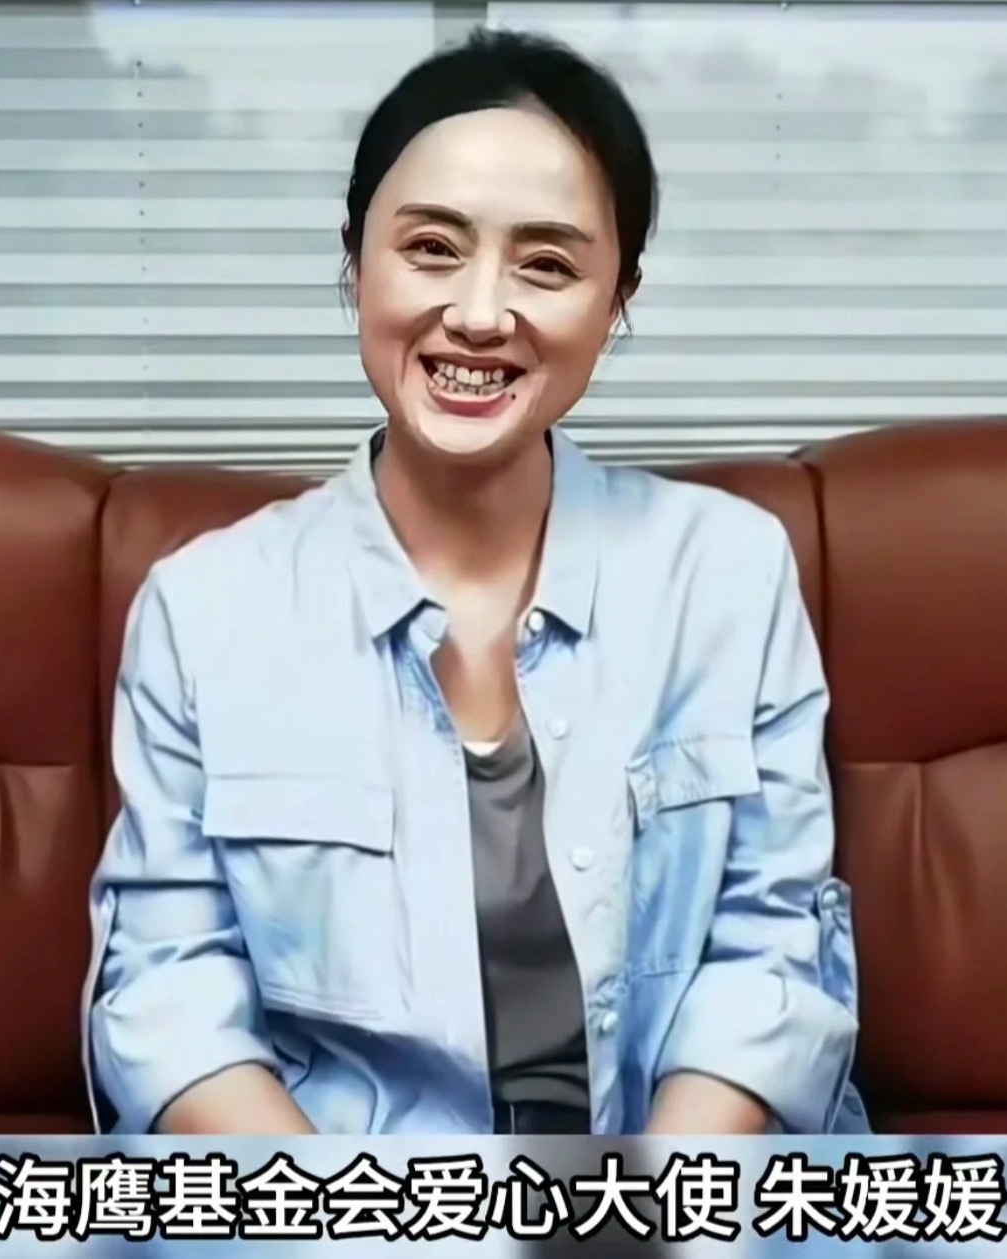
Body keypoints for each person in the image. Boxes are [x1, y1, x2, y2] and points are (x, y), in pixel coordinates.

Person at [83, 26, 869, 1139]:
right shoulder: (204, 608)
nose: (482, 313)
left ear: (618, 299)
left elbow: (769, 958)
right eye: (432, 247)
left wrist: (636, 1210)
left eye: (547, 264)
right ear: (356, 260)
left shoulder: (727, 572)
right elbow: (171, 998)